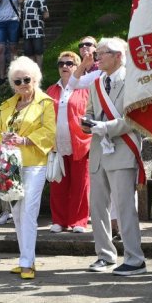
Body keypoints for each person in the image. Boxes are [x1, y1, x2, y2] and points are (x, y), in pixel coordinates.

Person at [83, 37, 147, 276]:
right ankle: (105, 255)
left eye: (102, 53)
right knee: (97, 208)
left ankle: (135, 258)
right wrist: (87, 125)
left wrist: (105, 127)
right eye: (97, 52)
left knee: (124, 208)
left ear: (118, 56)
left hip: (122, 149)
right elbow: (89, 112)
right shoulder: (96, 83)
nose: (97, 57)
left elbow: (134, 118)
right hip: (99, 151)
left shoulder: (133, 81)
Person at [0, 57, 56, 280]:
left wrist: (25, 140)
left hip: (35, 164)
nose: (22, 85)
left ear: (35, 79)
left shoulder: (45, 103)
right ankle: (25, 257)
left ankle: (27, 262)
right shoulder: (7, 105)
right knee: (18, 213)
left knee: (29, 212)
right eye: (17, 81)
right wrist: (5, 138)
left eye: (26, 80)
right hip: (11, 166)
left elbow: (50, 132)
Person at [46, 51, 90, 234]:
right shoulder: (51, 90)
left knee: (81, 184)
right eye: (61, 63)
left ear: (78, 66)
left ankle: (78, 221)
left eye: (69, 63)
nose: (64, 66)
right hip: (57, 144)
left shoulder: (85, 87)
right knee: (58, 184)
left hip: (80, 142)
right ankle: (59, 220)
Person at [22, 0, 49, 68]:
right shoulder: (26, 1)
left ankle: (39, 71)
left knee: (38, 51)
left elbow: (46, 14)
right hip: (27, 31)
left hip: (37, 31)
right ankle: (33, 71)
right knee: (29, 52)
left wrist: (37, 20)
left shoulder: (40, 0)